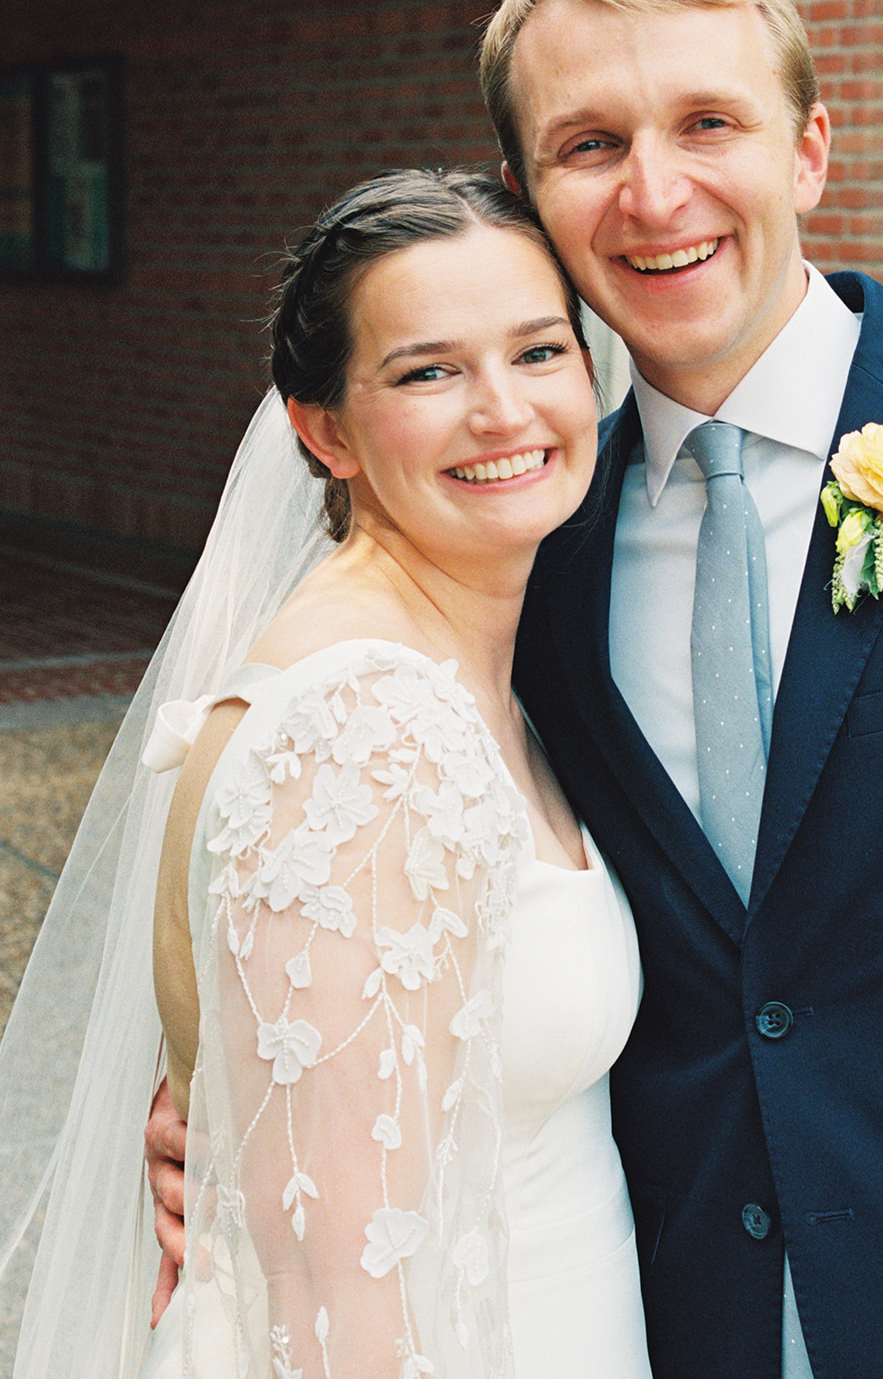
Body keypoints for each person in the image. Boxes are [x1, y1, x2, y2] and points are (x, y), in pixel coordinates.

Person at [149, 0, 883, 1376]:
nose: (654, 192)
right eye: (587, 145)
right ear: (526, 197)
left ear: (807, 150)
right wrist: (251, 1116)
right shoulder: (524, 542)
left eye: (708, 121)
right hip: (661, 1322)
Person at [0, 170, 654, 1379]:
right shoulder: (359, 736)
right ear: (324, 429)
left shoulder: (484, 663)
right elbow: (338, 1308)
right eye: (427, 371)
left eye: (538, 350)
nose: (504, 410)